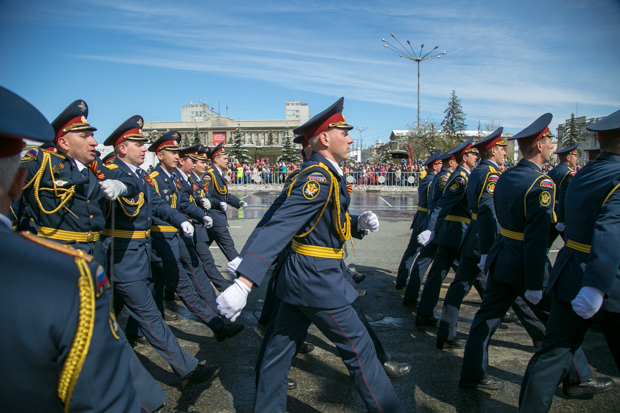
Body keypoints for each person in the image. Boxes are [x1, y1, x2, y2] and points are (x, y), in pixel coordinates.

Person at [217, 98, 404, 412]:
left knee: (278, 349)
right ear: (325, 138)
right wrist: (244, 282)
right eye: (343, 132)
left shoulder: (326, 174)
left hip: (301, 278)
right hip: (318, 279)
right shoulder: (316, 178)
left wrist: (356, 222)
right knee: (360, 351)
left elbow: (318, 221)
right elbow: (280, 225)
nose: (349, 137)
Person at [18, 99, 167, 411]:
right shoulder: (38, 163)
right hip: (56, 260)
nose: (94, 142)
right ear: (63, 141)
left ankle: (143, 401)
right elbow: (10, 199)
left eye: (92, 135)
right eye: (85, 136)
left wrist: (120, 186)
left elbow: (129, 179)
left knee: (102, 328)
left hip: (91, 257)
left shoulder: (90, 170)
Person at [459, 113, 597, 392]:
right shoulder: (540, 183)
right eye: (548, 141)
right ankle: (579, 378)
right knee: (559, 321)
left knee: (487, 317)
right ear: (537, 145)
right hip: (525, 261)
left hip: (502, 255)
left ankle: (473, 373)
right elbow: (535, 239)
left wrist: (488, 253)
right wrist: (535, 282)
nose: (551, 146)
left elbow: (490, 215)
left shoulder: (506, 176)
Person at [102, 116, 221, 389]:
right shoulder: (114, 170)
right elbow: (123, 186)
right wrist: (122, 187)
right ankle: (187, 369)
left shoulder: (139, 174)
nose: (144, 148)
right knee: (149, 315)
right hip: (122, 256)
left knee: (110, 314)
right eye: (138, 143)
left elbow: (156, 204)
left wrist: (180, 219)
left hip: (136, 254)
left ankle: (110, 350)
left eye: (145, 143)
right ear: (121, 148)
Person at [518, 110, 620, 412]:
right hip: (608, 280)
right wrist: (598, 284)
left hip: (570, 271)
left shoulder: (581, 174)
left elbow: (563, 220)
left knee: (552, 355)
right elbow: (611, 229)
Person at [436, 129, 544, 349]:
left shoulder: (476, 172)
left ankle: (446, 333)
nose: (505, 152)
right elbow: (487, 211)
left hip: (473, 235)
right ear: (493, 150)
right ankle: (541, 335)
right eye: (503, 148)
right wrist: (489, 246)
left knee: (463, 287)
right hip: (485, 238)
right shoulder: (491, 174)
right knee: (512, 290)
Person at [415, 138, 478, 326]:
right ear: (464, 157)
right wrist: (431, 229)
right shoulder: (460, 178)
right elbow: (442, 205)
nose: (477, 157)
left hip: (450, 233)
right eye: (473, 154)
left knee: (438, 274)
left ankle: (424, 312)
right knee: (477, 274)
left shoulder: (461, 176)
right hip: (458, 233)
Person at [402, 148, 458, 306]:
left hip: (430, 222)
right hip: (435, 224)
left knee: (423, 258)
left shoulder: (437, 178)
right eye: (439, 163)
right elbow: (437, 204)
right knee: (423, 258)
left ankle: (412, 294)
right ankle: (414, 295)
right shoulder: (441, 180)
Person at [395, 150, 441, 290]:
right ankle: (406, 282)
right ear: (434, 166)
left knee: (412, 251)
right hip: (425, 218)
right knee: (420, 253)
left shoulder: (428, 178)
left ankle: (402, 279)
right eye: (440, 163)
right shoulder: (432, 180)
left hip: (420, 217)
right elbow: (431, 202)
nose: (442, 166)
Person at [203, 142, 247, 261]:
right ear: (216, 160)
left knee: (201, 247)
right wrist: (217, 204)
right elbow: (206, 196)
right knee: (229, 247)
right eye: (225, 159)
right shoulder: (209, 174)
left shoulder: (218, 174)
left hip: (216, 217)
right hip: (214, 217)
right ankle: (240, 272)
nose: (227, 161)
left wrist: (238, 202)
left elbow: (223, 195)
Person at [547, 144, 578, 248]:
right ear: (568, 158)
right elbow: (565, 197)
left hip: (550, 212)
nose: (576, 158)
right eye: (575, 156)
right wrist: (562, 220)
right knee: (572, 246)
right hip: (562, 214)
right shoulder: (569, 174)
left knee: (545, 245)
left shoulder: (552, 171)